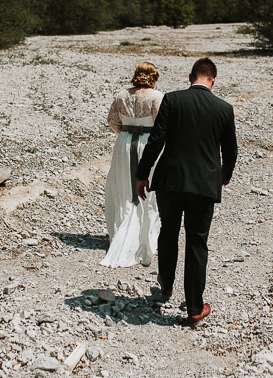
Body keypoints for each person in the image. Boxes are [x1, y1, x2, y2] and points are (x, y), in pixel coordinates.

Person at [136, 57, 237, 328]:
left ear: (189, 76)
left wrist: (142, 174)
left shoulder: (172, 100)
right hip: (204, 185)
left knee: (168, 232)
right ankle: (194, 308)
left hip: (170, 180)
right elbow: (230, 149)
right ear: (213, 80)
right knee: (196, 242)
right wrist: (224, 175)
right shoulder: (224, 108)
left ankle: (166, 286)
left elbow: (156, 140)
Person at [100, 62, 164, 268]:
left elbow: (112, 121)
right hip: (147, 143)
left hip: (125, 144)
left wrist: (126, 135)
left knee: (124, 187)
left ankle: (121, 228)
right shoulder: (157, 97)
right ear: (154, 77)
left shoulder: (121, 95)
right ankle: (146, 234)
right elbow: (162, 125)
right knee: (149, 188)